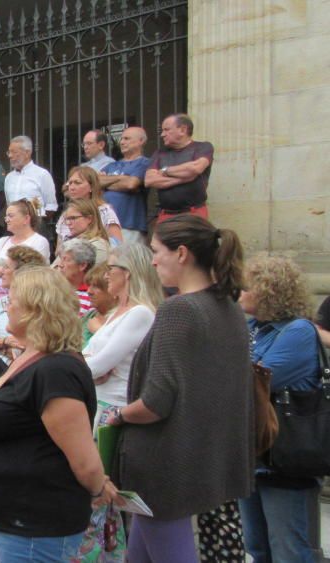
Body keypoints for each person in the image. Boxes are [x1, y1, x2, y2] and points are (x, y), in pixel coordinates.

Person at [104, 215, 253, 562]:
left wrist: (118, 415)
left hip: (166, 466)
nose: (153, 260)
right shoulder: (228, 306)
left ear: (182, 253)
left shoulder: (179, 309)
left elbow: (156, 401)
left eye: (157, 251)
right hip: (205, 458)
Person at [0, 267, 119, 560]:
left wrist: (96, 488)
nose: (5, 306)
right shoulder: (32, 356)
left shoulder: (56, 370)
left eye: (11, 300)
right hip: (15, 518)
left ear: (33, 310)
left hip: (37, 523)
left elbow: (85, 460)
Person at [238, 256, 323, 563]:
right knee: (257, 548)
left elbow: (257, 380)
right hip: (254, 455)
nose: (240, 292)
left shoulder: (298, 331)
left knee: (289, 550)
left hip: (286, 458)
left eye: (246, 287)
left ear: (268, 291)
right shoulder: (253, 328)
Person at [84, 243, 162, 411]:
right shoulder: (116, 312)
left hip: (113, 406)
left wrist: (87, 366)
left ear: (127, 272)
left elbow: (97, 366)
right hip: (97, 399)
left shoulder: (140, 313)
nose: (105, 276)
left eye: (110, 269)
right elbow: (89, 358)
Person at [0, 245, 48, 365]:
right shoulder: (2, 301)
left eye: (6, 267)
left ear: (22, 273)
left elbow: (23, 350)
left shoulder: (36, 306)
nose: (1, 271)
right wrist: (5, 342)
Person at [145, 113, 214, 222]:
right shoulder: (159, 153)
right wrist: (186, 177)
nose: (162, 134)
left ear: (182, 130)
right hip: (166, 214)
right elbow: (149, 180)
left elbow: (196, 168)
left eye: (166, 130)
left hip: (194, 213)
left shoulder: (203, 147)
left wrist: (165, 170)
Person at [100, 126, 151, 243]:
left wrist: (106, 182)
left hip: (130, 224)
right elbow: (95, 182)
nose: (122, 142)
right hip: (105, 224)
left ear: (141, 141)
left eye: (127, 139)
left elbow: (131, 184)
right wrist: (121, 178)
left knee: (125, 260)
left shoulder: (144, 163)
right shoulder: (112, 165)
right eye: (122, 139)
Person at [0, 199, 51, 279]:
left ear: (26, 219)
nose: (6, 220)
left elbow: (29, 273)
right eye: (6, 216)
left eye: (11, 216)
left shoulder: (39, 241)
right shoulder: (2, 241)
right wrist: (10, 270)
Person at [56, 166, 123, 244]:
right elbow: (58, 249)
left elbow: (117, 244)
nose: (72, 187)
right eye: (70, 183)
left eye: (77, 183)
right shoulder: (65, 215)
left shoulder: (105, 211)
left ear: (91, 187)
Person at [3, 135, 58, 220]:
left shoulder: (42, 174)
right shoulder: (9, 178)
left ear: (27, 153)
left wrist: (38, 223)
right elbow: (9, 204)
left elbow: (51, 206)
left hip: (36, 225)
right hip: (14, 226)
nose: (10, 156)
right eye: (9, 152)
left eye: (14, 152)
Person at [58, 199, 110, 264]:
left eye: (73, 218)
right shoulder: (71, 241)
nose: (68, 223)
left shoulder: (98, 246)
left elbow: (95, 273)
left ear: (89, 219)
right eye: (67, 219)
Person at [55, 238, 98, 316]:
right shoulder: (52, 288)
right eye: (61, 259)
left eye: (66, 260)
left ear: (82, 265)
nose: (60, 264)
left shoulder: (92, 296)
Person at [80, 264, 112, 348]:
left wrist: (99, 331)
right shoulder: (87, 316)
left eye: (96, 286)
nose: (89, 291)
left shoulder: (120, 320)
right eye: (89, 285)